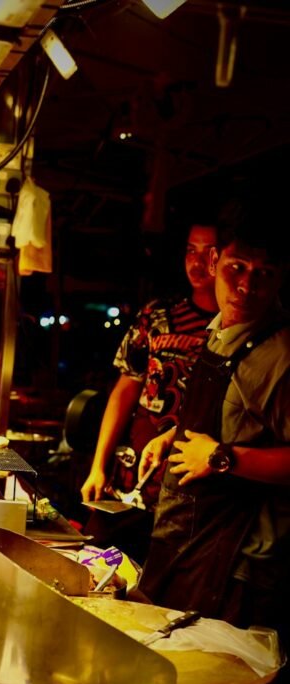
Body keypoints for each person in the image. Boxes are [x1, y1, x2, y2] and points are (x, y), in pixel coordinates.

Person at [137, 194, 290, 648]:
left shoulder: (280, 355)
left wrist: (223, 458)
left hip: (239, 566)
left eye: (264, 275)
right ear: (214, 259)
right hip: (190, 541)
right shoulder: (220, 329)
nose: (247, 287)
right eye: (237, 268)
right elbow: (230, 417)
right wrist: (173, 436)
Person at [80, 220, 219, 510]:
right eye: (191, 250)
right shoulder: (156, 315)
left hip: (189, 489)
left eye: (209, 252)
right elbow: (125, 390)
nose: (197, 262)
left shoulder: (232, 332)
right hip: (131, 474)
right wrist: (98, 466)